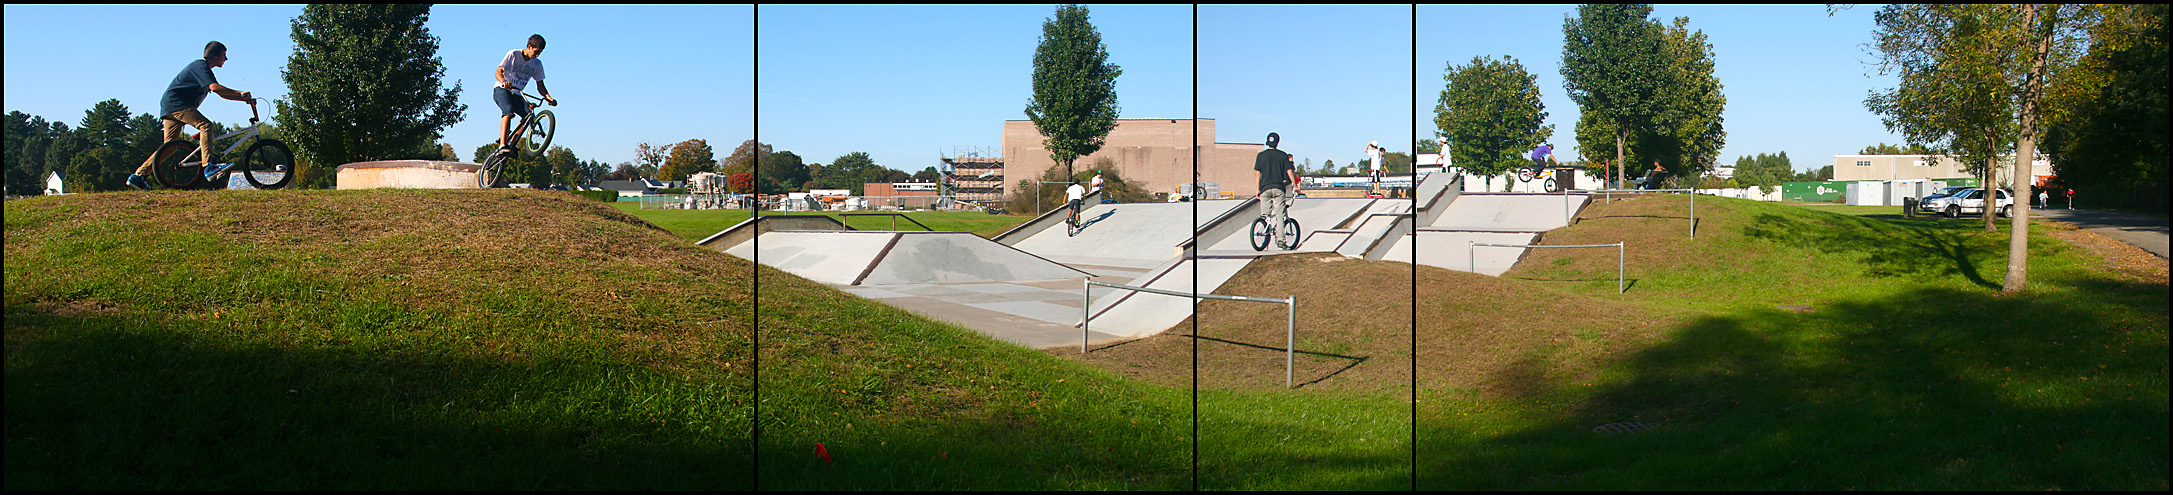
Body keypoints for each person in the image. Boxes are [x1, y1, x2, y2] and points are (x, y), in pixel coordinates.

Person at [129, 41, 254, 190]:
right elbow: (215, 88)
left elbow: (221, 93)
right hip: (177, 105)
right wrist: (241, 93)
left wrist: (242, 98)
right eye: (224, 56)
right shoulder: (200, 66)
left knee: (168, 148)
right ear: (214, 56)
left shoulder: (204, 70)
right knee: (206, 125)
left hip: (170, 106)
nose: (226, 59)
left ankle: (138, 176)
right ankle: (209, 166)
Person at [495, 34, 557, 151]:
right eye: (536, 51)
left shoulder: (537, 64)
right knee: (508, 111)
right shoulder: (513, 54)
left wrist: (548, 97)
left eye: (540, 52)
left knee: (528, 115)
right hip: (502, 90)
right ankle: (502, 145)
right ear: (529, 46)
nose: (537, 55)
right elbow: (498, 72)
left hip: (518, 94)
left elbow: (540, 85)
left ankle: (512, 143)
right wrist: (503, 81)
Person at [1254, 132, 1299, 226]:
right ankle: (1281, 240)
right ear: (1277, 142)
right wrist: (1295, 186)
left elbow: (1257, 174)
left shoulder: (1260, 156)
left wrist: (1257, 189)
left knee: (1265, 215)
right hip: (1278, 188)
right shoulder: (1282, 155)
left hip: (1264, 188)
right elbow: (1289, 171)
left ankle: (1265, 231)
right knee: (1280, 217)